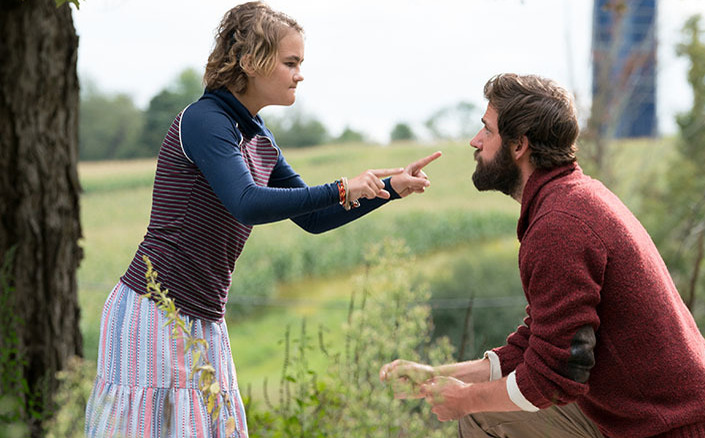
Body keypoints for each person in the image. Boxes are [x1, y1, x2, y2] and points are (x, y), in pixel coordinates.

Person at [83, 2, 440, 437]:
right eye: (291, 62)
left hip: (203, 314)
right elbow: (247, 202)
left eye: (300, 63)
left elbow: (313, 218)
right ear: (250, 61)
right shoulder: (204, 121)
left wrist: (388, 191)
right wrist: (344, 186)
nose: (299, 74)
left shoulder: (257, 134)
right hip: (153, 310)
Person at [380, 73, 705, 437]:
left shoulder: (560, 223)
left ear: (519, 145)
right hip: (646, 419)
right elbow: (539, 345)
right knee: (484, 413)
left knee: (478, 409)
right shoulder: (567, 200)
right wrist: (439, 378)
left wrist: (465, 399)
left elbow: (555, 378)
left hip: (671, 426)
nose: (475, 141)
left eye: (487, 130)